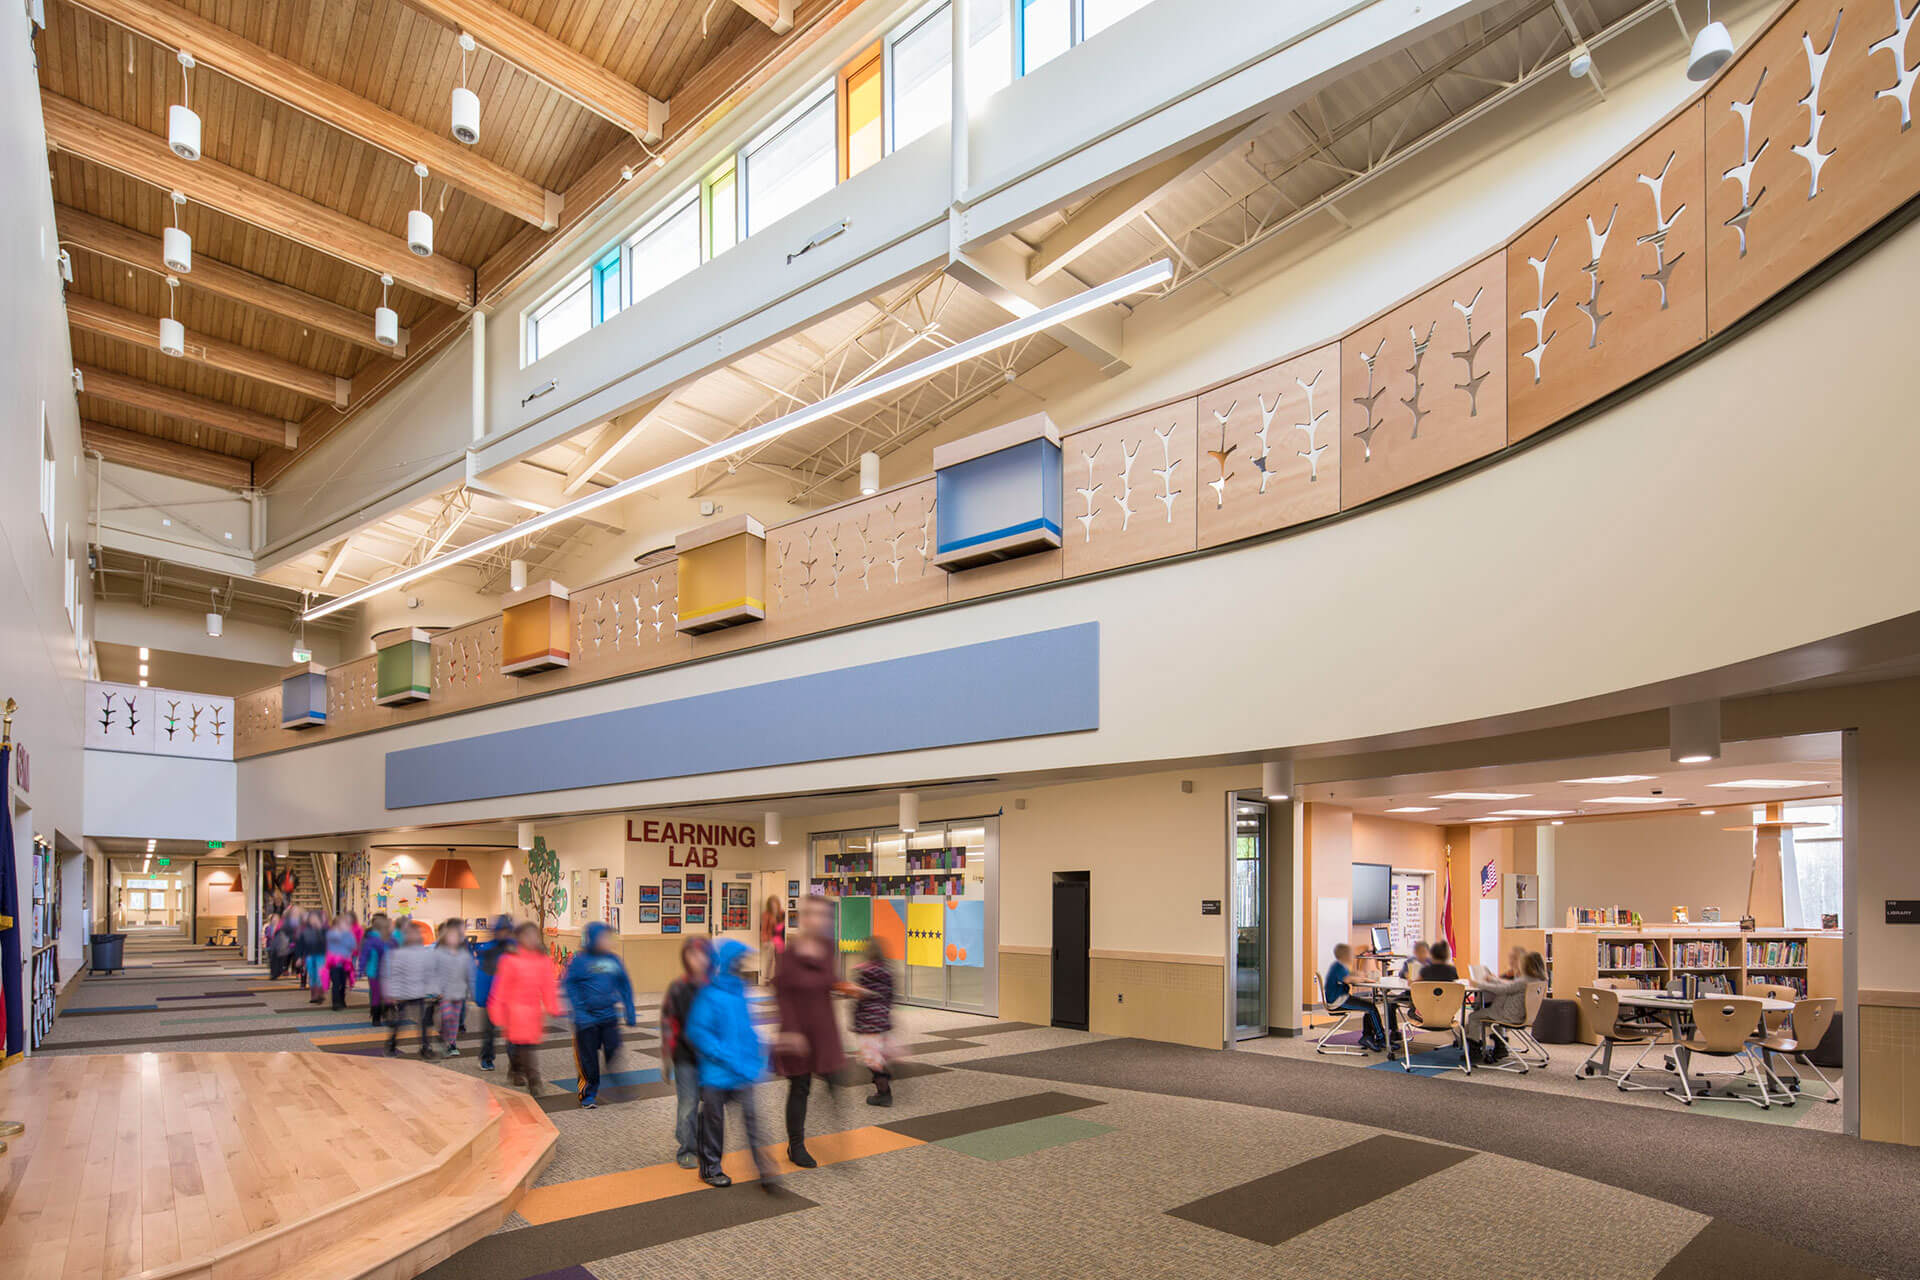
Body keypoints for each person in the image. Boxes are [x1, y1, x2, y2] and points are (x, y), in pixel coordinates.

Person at [684, 939, 777, 1190]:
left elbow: (746, 1030)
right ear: (728, 963)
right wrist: (724, 1055)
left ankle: (765, 1168)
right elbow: (698, 1032)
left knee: (752, 1119)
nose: (743, 965)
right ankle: (711, 1169)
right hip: (716, 1074)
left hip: (741, 1072)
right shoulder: (709, 995)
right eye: (739, 961)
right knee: (713, 1124)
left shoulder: (740, 993)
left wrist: (759, 1054)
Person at [772, 894, 846, 1167]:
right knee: (800, 1087)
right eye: (813, 914)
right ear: (803, 918)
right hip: (797, 1033)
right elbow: (781, 992)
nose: (818, 920)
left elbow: (828, 980)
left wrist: (846, 987)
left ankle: (837, 1133)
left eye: (823, 915)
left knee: (834, 1078)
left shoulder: (827, 947)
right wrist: (790, 1031)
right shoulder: (790, 953)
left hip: (823, 1028)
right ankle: (796, 1145)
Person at [562, 921, 638, 1109]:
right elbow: (570, 986)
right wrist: (579, 1011)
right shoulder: (580, 961)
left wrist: (630, 1009)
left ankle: (613, 1080)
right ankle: (588, 1094)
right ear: (593, 939)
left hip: (608, 1016)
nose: (607, 941)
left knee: (613, 1049)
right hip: (585, 1020)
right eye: (603, 938)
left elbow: (624, 984)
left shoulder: (613, 961)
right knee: (588, 1059)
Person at [489, 923, 559, 1093]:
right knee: (520, 1044)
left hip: (533, 1011)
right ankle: (533, 1078)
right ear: (520, 938)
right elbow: (501, 987)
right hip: (513, 1011)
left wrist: (552, 1005)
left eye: (534, 935)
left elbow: (547, 985)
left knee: (527, 1045)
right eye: (527, 935)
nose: (531, 939)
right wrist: (496, 1009)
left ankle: (517, 1070)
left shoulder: (542, 960)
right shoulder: (510, 960)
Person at [660, 936, 710, 1168]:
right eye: (692, 955)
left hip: (711, 1058)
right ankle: (687, 1148)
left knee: (710, 1104)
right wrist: (666, 1059)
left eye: (701, 954)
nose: (697, 959)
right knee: (688, 1104)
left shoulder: (714, 988)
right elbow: (669, 1024)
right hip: (685, 1059)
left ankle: (706, 1145)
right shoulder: (678, 988)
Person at [1468, 950, 1547, 1062]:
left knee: (1474, 1017)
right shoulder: (1538, 979)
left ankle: (1474, 1053)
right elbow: (1510, 986)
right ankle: (1501, 1047)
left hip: (1509, 1015)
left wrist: (1479, 984)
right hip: (1522, 1015)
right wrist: (1493, 979)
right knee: (1493, 1014)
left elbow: (1503, 989)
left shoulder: (1524, 980)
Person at [848, 936, 897, 1107]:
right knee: (875, 1056)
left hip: (868, 1021)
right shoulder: (887, 971)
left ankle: (884, 1092)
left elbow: (859, 997)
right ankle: (883, 1081)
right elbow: (890, 997)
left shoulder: (864, 971)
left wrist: (854, 1020)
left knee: (871, 1059)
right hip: (882, 1020)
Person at [383, 916, 439, 1059]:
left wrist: (434, 992)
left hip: (419, 994)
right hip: (403, 995)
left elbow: (430, 974)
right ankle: (391, 1045)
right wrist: (392, 994)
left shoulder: (424, 953)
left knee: (423, 1023)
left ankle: (425, 1047)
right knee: (399, 1023)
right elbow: (394, 975)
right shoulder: (399, 954)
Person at [472, 916, 515, 1071]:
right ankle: (486, 1057)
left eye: (506, 931)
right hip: (492, 998)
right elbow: (483, 976)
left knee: (512, 1032)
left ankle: (515, 1063)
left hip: (510, 998)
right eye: (501, 931)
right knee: (489, 1032)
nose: (503, 934)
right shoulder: (488, 950)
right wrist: (482, 998)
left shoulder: (515, 948)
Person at [1325, 943, 1386, 1051]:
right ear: (1344, 955)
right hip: (1338, 1001)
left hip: (1341, 998)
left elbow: (1355, 975)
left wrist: (1365, 978)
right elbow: (1349, 980)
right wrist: (1363, 979)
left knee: (1369, 1007)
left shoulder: (1340, 966)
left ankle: (1368, 1037)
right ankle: (1382, 1039)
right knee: (1370, 1008)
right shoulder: (1339, 966)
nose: (1352, 956)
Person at [433, 919, 477, 1058]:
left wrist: (471, 990)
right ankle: (444, 1035)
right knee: (447, 1016)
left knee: (455, 1019)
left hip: (459, 992)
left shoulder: (463, 955)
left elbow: (469, 972)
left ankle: (452, 1044)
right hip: (445, 992)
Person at [359, 913, 391, 1026]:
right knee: (376, 993)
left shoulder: (388, 936)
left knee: (384, 993)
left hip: (384, 971)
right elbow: (363, 952)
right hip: (374, 971)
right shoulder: (369, 936)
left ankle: (383, 1012)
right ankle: (376, 1013)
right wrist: (361, 967)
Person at [324, 914, 358, 1011]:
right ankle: (335, 1003)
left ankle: (342, 1000)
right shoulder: (331, 934)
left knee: (343, 983)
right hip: (334, 963)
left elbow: (353, 946)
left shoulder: (349, 934)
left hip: (345, 963)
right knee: (336, 983)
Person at [297, 909, 327, 1003]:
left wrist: (319, 929)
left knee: (319, 975)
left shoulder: (324, 930)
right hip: (309, 955)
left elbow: (327, 942)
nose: (313, 920)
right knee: (312, 975)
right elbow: (300, 944)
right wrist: (299, 957)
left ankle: (319, 994)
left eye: (315, 918)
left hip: (321, 955)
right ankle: (313, 995)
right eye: (311, 918)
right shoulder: (305, 931)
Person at [759, 896, 786, 983]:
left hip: (780, 939)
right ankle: (767, 977)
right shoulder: (766, 914)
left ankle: (778, 978)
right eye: (772, 904)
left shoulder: (782, 913)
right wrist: (764, 940)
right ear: (769, 905)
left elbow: (786, 926)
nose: (774, 906)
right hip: (771, 939)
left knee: (780, 959)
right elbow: (763, 928)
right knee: (770, 956)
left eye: (775, 904)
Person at [266, 912, 292, 981]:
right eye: (274, 918)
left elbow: (284, 937)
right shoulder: (269, 927)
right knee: (273, 962)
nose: (275, 920)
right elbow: (268, 935)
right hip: (272, 946)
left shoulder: (281, 927)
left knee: (279, 962)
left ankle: (277, 973)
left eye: (276, 918)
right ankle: (273, 974)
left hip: (280, 947)